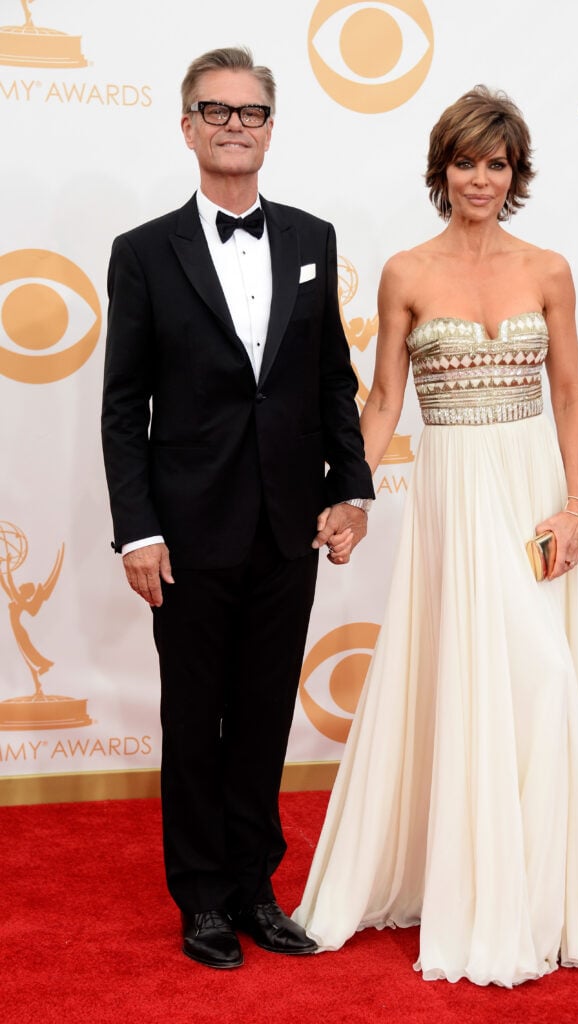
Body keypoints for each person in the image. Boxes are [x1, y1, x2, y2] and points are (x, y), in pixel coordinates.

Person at [294, 86, 578, 987]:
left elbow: (570, 397)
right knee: (476, 678)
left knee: (547, 676)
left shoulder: (550, 269)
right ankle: (479, 894)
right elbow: (382, 402)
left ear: (515, 174)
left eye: (496, 164)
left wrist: (577, 508)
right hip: (453, 489)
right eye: (464, 162)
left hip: (532, 491)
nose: (479, 179)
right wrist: (351, 495)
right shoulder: (406, 271)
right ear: (440, 169)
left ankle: (543, 897)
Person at [101, 45, 373, 970]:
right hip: (183, 529)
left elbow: (331, 375)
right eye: (216, 111)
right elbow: (121, 402)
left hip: (287, 523)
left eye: (250, 111)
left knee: (263, 716)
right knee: (194, 717)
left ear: (270, 128)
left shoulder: (311, 237)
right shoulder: (142, 252)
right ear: (188, 127)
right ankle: (203, 901)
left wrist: (352, 486)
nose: (234, 125)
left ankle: (257, 888)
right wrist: (136, 527)